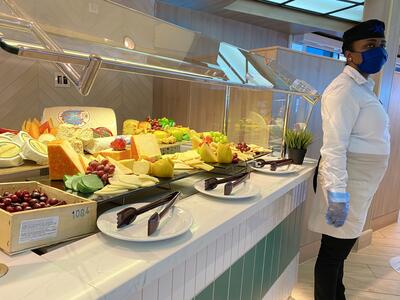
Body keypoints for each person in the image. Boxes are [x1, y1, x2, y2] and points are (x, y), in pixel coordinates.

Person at [308, 19, 390, 300]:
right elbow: (333, 148)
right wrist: (338, 197)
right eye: (369, 46)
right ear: (349, 54)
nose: (377, 51)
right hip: (345, 185)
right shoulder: (342, 90)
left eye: (380, 45)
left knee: (338, 252)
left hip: (359, 184)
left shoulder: (362, 87)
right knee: (333, 254)